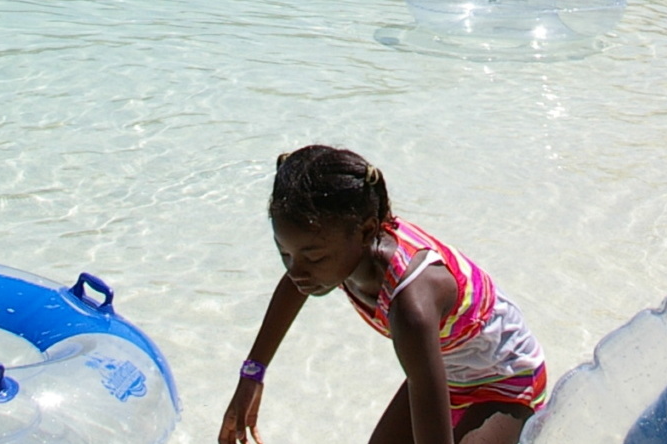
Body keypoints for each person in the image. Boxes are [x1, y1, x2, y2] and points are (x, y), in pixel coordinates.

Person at [222, 145, 547, 444]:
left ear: (365, 231)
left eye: (312, 257)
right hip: (444, 366)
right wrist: (253, 373)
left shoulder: (411, 306)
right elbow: (294, 285)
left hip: (505, 379)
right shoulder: (334, 254)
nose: (296, 271)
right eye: (285, 254)